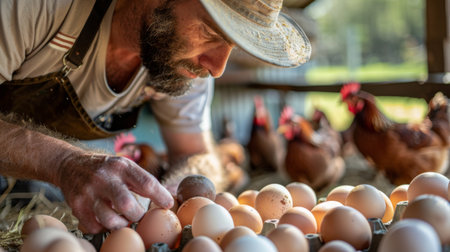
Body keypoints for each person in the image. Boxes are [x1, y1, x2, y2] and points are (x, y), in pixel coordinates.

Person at [0, 0, 311, 234]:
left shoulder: (189, 63)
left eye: (232, 43)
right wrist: (63, 162)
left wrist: (175, 195)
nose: (217, 67)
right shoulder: (39, 7)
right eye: (211, 31)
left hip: (35, 195)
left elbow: (197, 154)